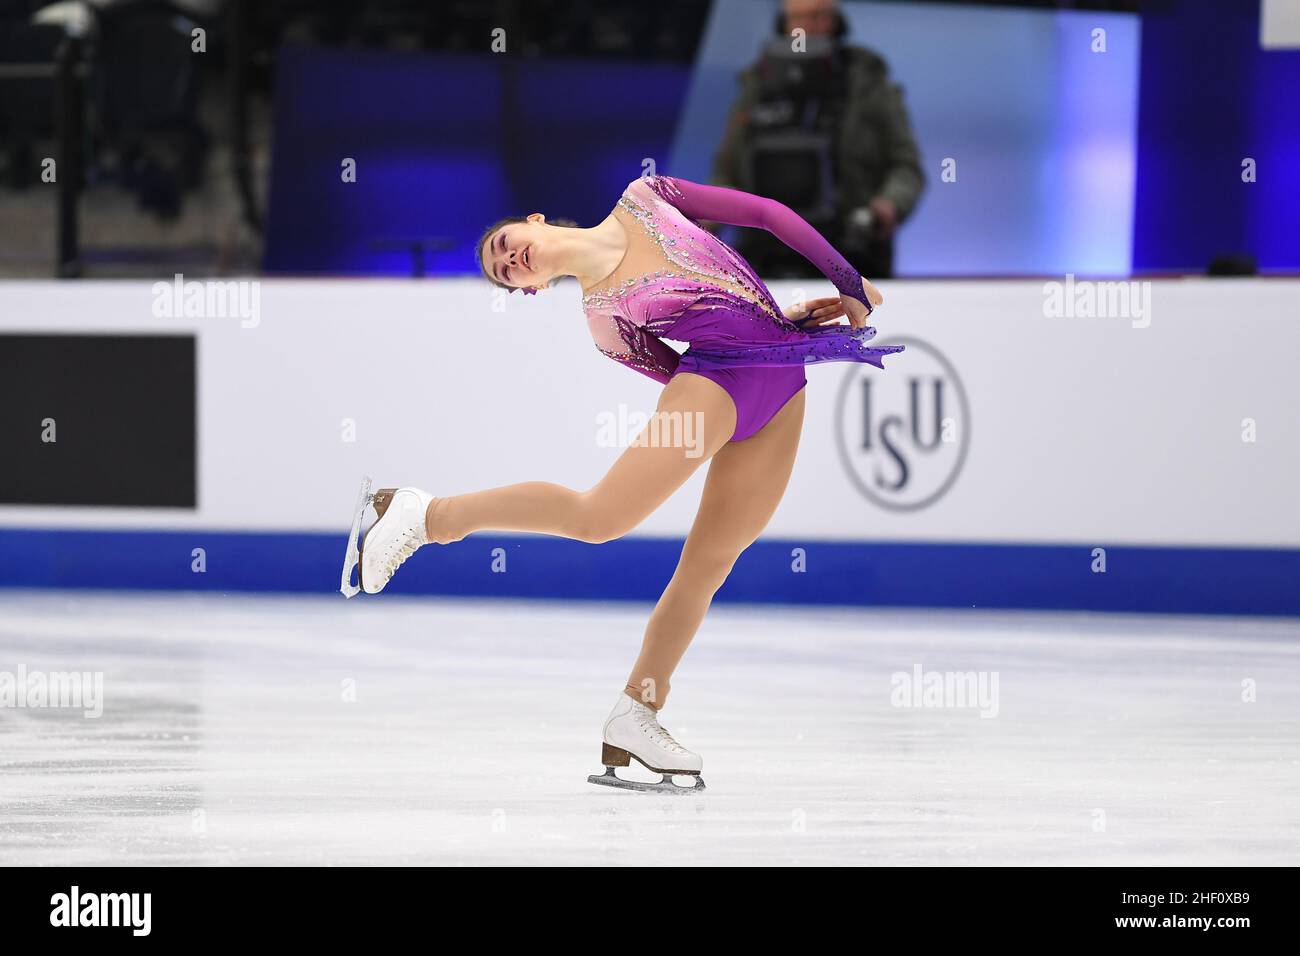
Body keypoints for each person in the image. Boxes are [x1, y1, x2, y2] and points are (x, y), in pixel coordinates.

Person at [344, 174, 900, 793]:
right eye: (505, 272)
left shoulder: (648, 197)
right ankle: (428, 514)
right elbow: (677, 373)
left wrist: (830, 295)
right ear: (527, 289)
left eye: (506, 244)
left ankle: (637, 713)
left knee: (709, 565)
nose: (511, 259)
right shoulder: (605, 323)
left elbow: (767, 211)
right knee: (599, 518)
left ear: (532, 219)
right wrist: (751, 342)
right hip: (716, 386)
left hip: (783, 380)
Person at [711, 0, 925, 279]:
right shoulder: (756, 86)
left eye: (818, 17)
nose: (808, 28)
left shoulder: (868, 81)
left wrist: (887, 207)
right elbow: (726, 173)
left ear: (834, 21)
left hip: (854, 257)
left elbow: (906, 167)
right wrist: (712, 215)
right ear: (782, 24)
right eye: (799, 19)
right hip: (764, 259)